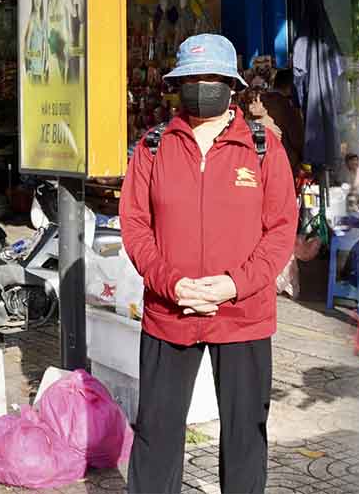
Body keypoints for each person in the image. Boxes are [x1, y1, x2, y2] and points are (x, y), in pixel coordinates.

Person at [120, 33, 298, 494]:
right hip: (168, 313)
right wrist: (171, 283)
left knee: (244, 437)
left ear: (232, 85)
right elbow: (136, 225)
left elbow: (280, 229)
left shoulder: (262, 148)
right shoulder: (152, 147)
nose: (203, 86)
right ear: (178, 84)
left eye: (213, 78)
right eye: (192, 78)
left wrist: (232, 286)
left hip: (243, 316)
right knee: (156, 433)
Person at [259, 68, 305, 175]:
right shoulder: (287, 105)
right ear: (291, 86)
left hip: (260, 164)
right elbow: (298, 139)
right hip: (282, 166)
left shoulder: (259, 100)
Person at [22, 0, 47, 83]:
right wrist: (28, 68)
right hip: (34, 74)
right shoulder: (31, 19)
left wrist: (46, 63)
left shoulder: (43, 21)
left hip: (43, 73)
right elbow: (26, 47)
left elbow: (45, 46)